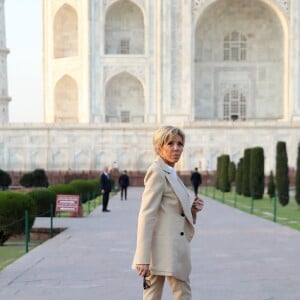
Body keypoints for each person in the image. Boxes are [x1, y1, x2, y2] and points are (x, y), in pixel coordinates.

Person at [132, 126, 204, 300]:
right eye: (170, 143)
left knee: (161, 294)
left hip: (171, 246)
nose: (176, 148)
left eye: (180, 144)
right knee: (178, 293)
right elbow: (146, 214)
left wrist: (193, 209)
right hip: (165, 247)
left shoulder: (170, 172)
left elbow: (173, 210)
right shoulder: (157, 171)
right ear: (159, 146)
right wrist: (142, 257)